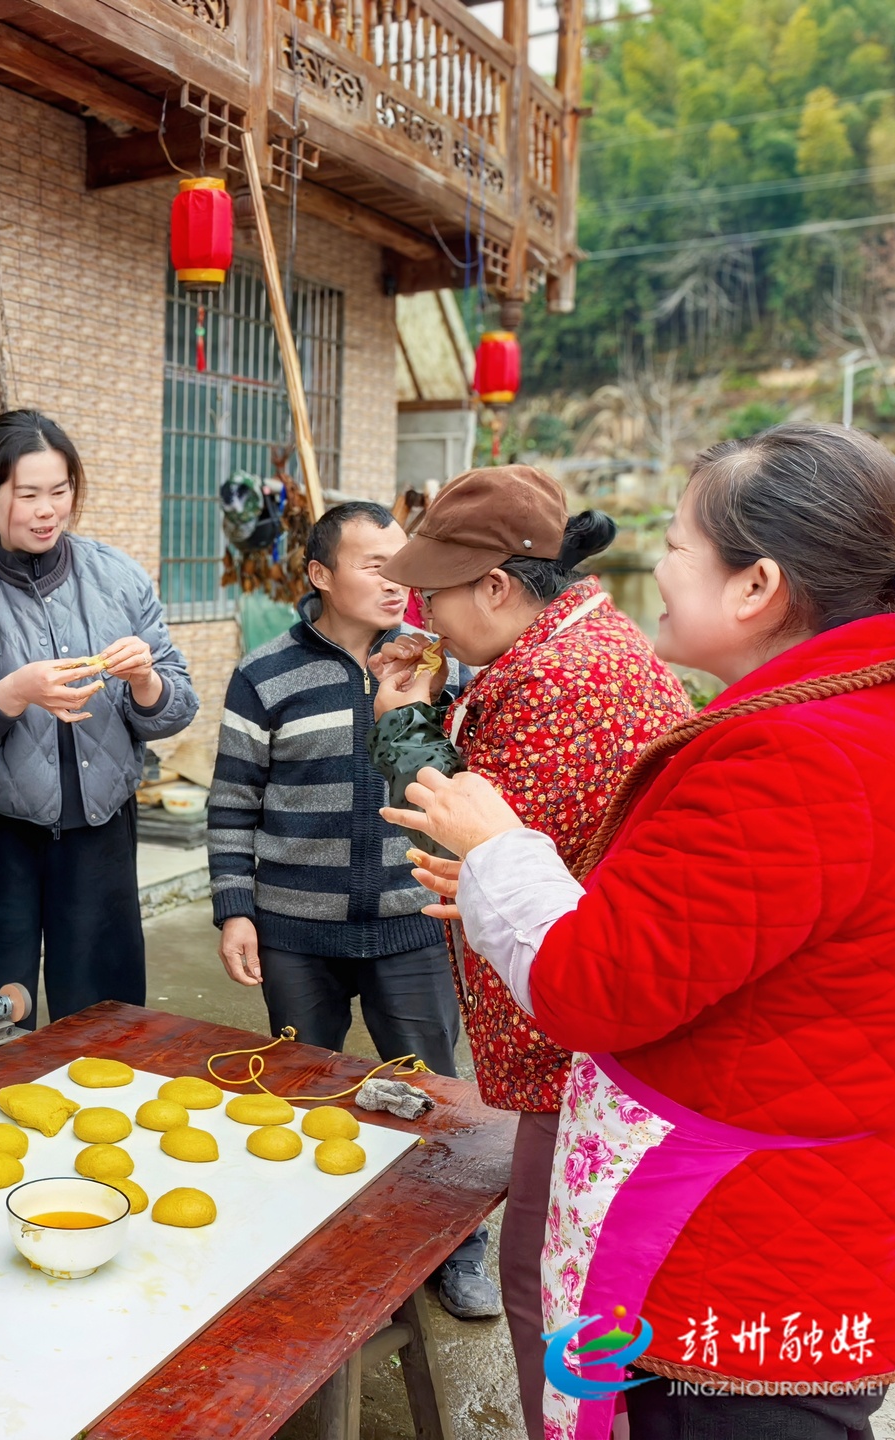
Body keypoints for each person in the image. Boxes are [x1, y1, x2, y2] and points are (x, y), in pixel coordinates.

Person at [388, 422, 895, 1440]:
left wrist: (500, 850)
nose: (658, 571)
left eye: (678, 546)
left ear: (756, 585)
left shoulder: (793, 754)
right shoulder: (871, 706)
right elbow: (710, 923)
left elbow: (596, 986)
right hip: (814, 1198)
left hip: (742, 1246)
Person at [366, 465, 689, 1439]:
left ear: (498, 587)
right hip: (598, 1020)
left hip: (578, 1036)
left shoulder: (557, 682)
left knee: (548, 1283)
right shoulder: (574, 644)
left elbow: (460, 832)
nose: (425, 617)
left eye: (435, 597)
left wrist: (403, 721)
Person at [207, 499, 495, 1317]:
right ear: (320, 575)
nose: (396, 580)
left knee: (436, 1095)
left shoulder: (443, 666)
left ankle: (457, 1250)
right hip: (297, 931)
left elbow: (472, 787)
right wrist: (236, 908)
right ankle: (301, 1237)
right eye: (374, 564)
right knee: (301, 1093)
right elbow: (232, 802)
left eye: (401, 563)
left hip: (412, 922)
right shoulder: (266, 674)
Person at [0, 410, 197, 1068]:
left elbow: (177, 705)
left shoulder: (119, 577)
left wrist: (146, 680)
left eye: (60, 490)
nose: (48, 510)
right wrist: (13, 693)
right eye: (28, 493)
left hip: (101, 828)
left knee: (107, 1022)